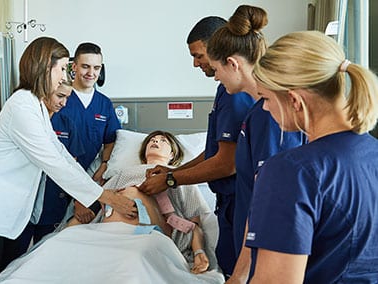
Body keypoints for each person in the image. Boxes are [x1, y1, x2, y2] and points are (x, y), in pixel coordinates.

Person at [0, 37, 137, 273]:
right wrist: (106, 197)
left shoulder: (35, 105)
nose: (64, 76)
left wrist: (98, 193)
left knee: (11, 270)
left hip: (13, 208)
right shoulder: (22, 105)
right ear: (46, 67)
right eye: (63, 68)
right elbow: (53, 163)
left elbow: (62, 154)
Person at [246, 30, 378, 283]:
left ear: (295, 100)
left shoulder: (291, 171)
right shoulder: (372, 155)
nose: (264, 107)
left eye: (265, 98)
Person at [138, 16, 255, 276]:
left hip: (239, 199)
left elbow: (226, 163)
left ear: (218, 48)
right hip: (228, 201)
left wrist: (171, 181)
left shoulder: (234, 92)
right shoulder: (224, 88)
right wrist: (169, 173)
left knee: (236, 268)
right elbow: (214, 151)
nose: (196, 63)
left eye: (198, 55)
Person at [204, 5, 305, 282]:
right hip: (253, 243)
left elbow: (271, 201)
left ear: (233, 64)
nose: (216, 77)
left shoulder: (271, 115)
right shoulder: (257, 111)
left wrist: (240, 275)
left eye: (216, 69)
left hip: (267, 253)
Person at [68, 131, 211, 274]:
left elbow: (195, 221)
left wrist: (198, 251)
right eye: (152, 140)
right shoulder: (124, 173)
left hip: (154, 231)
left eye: (163, 141)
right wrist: (79, 207)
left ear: (172, 155)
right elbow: (99, 197)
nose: (155, 142)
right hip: (110, 231)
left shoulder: (179, 176)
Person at [12, 82, 85, 253]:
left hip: (53, 202)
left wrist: (81, 199)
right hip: (22, 200)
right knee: (14, 256)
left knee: (46, 254)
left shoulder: (67, 124)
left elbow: (71, 167)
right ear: (44, 93)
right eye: (60, 96)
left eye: (67, 97)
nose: (64, 103)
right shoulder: (25, 118)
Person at [55, 42, 122, 224]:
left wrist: (105, 164)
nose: (91, 73)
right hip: (55, 181)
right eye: (85, 66)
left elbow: (112, 140)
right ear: (73, 66)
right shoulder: (59, 98)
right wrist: (79, 196)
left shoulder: (104, 104)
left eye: (96, 67)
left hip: (90, 179)